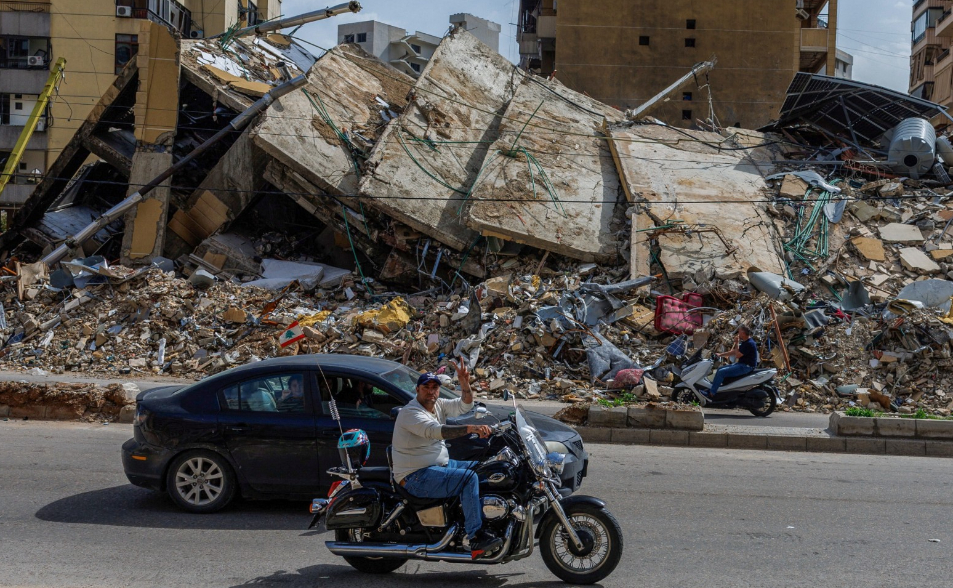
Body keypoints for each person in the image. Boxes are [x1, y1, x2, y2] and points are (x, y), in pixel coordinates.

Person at [391, 359, 502, 559]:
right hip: (415, 475)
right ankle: (475, 537)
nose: (431, 391)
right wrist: (472, 428)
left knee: (485, 468)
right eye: (426, 387)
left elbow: (464, 406)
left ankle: (482, 520)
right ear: (417, 390)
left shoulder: (438, 404)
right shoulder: (411, 412)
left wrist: (464, 383)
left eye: (434, 388)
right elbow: (435, 431)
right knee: (468, 479)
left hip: (439, 465)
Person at [706, 325, 759, 398]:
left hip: (746, 367)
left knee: (722, 372)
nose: (738, 334)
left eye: (739, 332)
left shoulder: (749, 343)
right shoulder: (746, 342)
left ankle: (711, 394)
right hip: (742, 364)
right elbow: (734, 351)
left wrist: (736, 343)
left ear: (743, 333)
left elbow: (737, 355)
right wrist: (720, 354)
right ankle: (716, 389)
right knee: (719, 369)